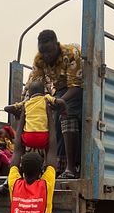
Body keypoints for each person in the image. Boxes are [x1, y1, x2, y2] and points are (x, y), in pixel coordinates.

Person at [27, 29, 83, 178]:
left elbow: (75, 86)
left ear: (56, 45)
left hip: (78, 89)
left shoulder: (71, 53)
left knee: (67, 114)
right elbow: (33, 85)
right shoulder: (39, 59)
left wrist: (60, 101)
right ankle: (56, 166)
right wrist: (27, 106)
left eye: (49, 52)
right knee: (47, 117)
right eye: (43, 52)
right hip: (58, 90)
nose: (46, 56)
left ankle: (71, 168)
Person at [5, 81, 57, 152]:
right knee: (50, 147)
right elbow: (59, 102)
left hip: (28, 138)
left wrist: (22, 105)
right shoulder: (46, 100)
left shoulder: (26, 103)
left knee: (19, 147)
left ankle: (17, 160)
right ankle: (49, 162)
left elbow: (7, 108)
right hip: (43, 137)